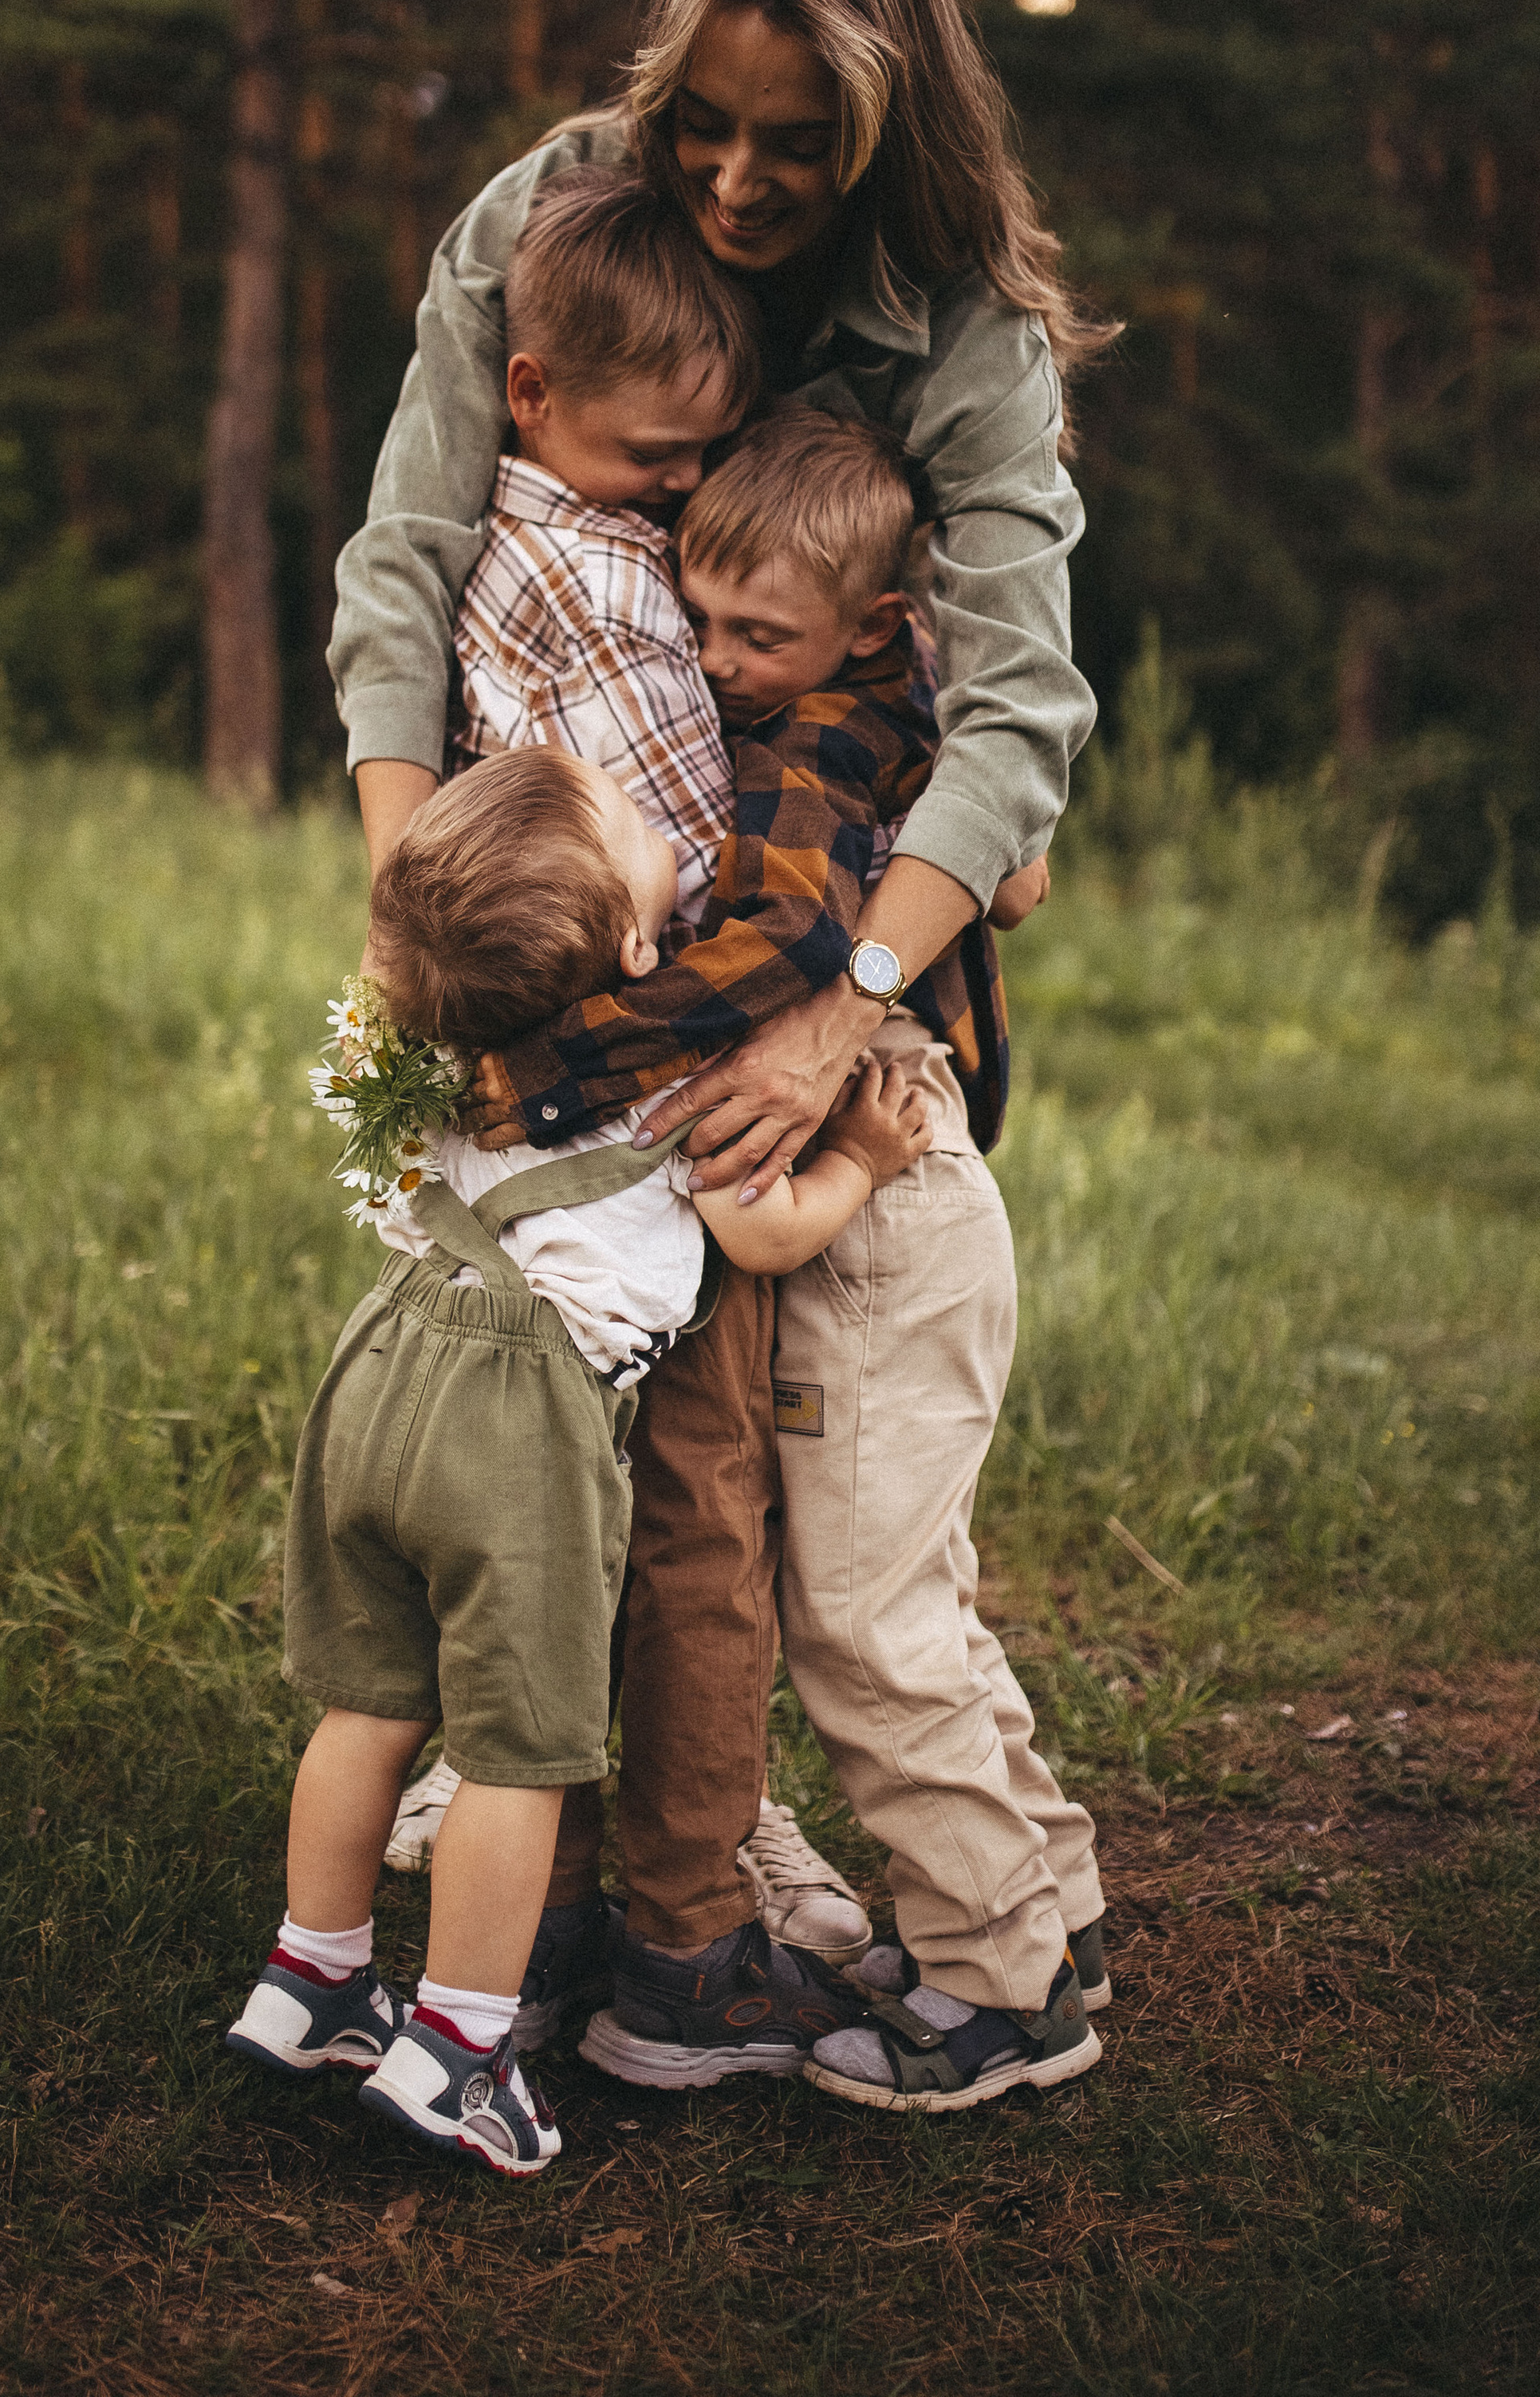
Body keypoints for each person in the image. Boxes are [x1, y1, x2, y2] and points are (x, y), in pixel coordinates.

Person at [330, 0, 1110, 2065]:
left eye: (802, 145)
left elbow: (1024, 715)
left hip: (815, 970)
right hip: (554, 979)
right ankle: (673, 1883)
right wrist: (424, 926)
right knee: (616, 1468)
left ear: (889, 138)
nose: (744, 183)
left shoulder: (960, 328)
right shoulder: (550, 222)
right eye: (710, 129)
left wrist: (846, 998)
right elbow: (405, 554)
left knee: (800, 1490)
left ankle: (958, 1927)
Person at [225, 745, 928, 2177]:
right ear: (628, 940)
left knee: (370, 1706)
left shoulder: (443, 1046)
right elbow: (767, 1235)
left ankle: (311, 1981)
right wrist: (863, 1158)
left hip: (377, 1377)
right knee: (521, 1751)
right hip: (515, 1428)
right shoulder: (670, 1086)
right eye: (628, 825)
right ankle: (461, 2051)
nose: (648, 814)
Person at [544, 411, 1106, 2107]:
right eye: (701, 625)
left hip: (884, 1205)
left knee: (857, 1619)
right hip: (921, 1189)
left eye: (754, 636)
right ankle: (1045, 1905)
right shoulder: (908, 704)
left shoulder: (797, 757)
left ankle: (1003, 1992)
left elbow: (780, 940)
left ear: (865, 624)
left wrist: (548, 1038)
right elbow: (1012, 882)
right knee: (904, 1588)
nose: (714, 667)